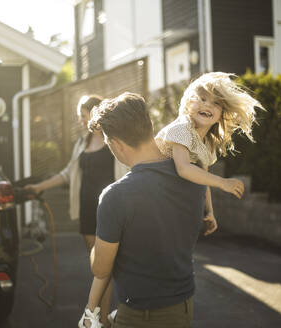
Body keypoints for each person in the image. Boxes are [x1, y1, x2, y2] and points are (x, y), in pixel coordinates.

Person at [79, 92, 228, 328]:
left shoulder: (115, 196)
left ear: (116, 144)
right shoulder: (195, 175)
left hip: (142, 316)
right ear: (148, 126)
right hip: (183, 307)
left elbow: (100, 267)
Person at [25, 95, 127, 327]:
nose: (81, 121)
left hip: (111, 209)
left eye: (83, 116)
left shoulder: (116, 140)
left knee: (109, 266)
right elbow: (67, 174)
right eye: (79, 117)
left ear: (96, 113)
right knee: (98, 268)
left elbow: (131, 170)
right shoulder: (81, 143)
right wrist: (38, 187)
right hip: (87, 210)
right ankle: (102, 317)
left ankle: (103, 318)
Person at [155, 72, 261, 234]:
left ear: (220, 116)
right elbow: (183, 168)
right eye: (202, 99)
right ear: (189, 104)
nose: (207, 105)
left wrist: (209, 212)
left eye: (216, 103)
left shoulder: (207, 144)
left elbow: (203, 180)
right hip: (149, 188)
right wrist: (222, 182)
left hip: (170, 198)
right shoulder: (182, 128)